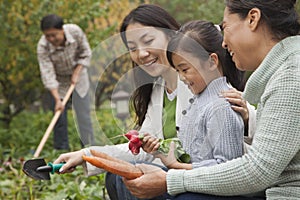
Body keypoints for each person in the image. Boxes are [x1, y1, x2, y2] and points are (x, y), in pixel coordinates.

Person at [53, 4, 251, 199]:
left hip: (213, 179)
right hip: (185, 172)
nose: (141, 53)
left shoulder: (201, 81)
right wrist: (87, 155)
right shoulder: (157, 90)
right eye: (132, 48)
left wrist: (248, 116)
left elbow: (248, 137)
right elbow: (141, 150)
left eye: (148, 40)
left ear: (172, 36)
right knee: (116, 177)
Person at [123, 0, 300, 199]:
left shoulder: (291, 77)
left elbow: (258, 170)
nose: (223, 42)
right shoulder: (284, 72)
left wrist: (170, 180)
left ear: (253, 19)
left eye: (225, 27)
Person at [143, 20, 245, 171]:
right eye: (177, 71)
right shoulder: (198, 101)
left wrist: (176, 166)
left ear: (211, 62)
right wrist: (162, 149)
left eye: (185, 70)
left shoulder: (221, 107)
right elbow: (192, 151)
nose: (182, 78)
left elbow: (227, 167)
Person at [37, 14, 94, 150]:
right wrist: (57, 99)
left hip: (78, 78)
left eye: (54, 35)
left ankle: (89, 149)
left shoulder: (75, 32)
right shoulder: (43, 47)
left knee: (83, 116)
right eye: (47, 36)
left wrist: (77, 71)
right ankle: (61, 151)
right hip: (59, 82)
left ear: (62, 30)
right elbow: (48, 74)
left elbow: (86, 53)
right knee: (59, 118)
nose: (51, 39)